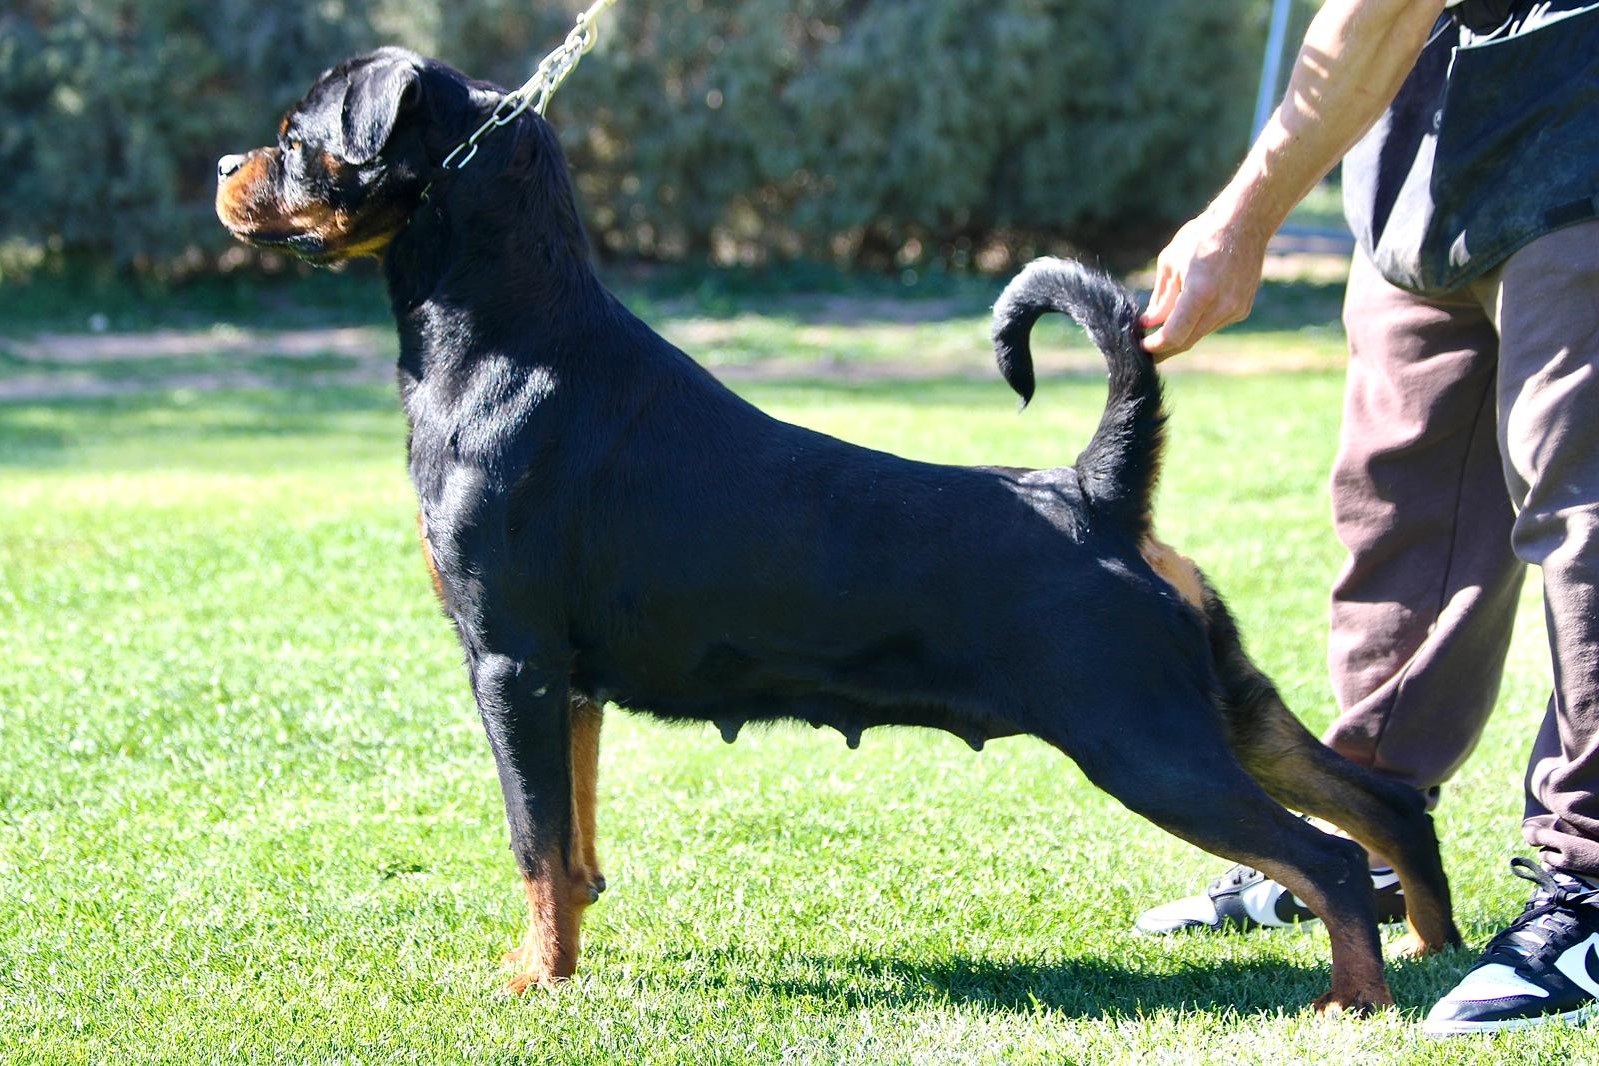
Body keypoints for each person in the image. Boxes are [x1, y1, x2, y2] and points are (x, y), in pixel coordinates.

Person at [1132, 0, 1599, 1036]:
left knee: (1585, 512)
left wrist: (1243, 215)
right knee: (1398, 503)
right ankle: (1369, 832)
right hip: (1432, 126)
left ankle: (1592, 883)